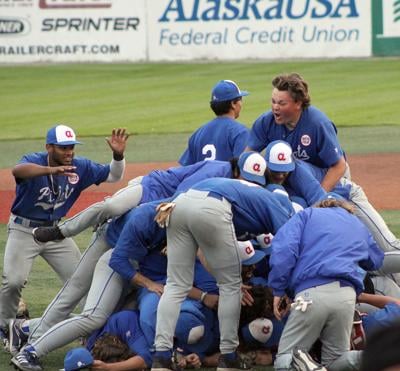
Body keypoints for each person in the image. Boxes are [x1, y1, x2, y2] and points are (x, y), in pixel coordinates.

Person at [151, 154, 293, 371]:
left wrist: (221, 275)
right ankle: (228, 357)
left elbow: (206, 249)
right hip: (212, 206)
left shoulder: (250, 191)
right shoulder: (279, 207)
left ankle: (161, 357)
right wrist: (285, 289)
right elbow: (287, 250)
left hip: (179, 204)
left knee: (176, 285)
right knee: (230, 286)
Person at [246, 72, 400, 255]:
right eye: (273, 101)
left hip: (331, 177)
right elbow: (248, 156)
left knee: (373, 241)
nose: (275, 108)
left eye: (281, 103)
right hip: (299, 185)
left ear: (298, 103)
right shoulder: (266, 122)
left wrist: (318, 199)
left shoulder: (317, 123)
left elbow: (338, 165)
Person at [0, 125, 128, 342]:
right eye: (63, 148)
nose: (69, 152)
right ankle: (6, 326)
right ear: (49, 147)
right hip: (24, 230)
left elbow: (113, 175)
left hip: (55, 232)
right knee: (13, 282)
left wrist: (118, 155)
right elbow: (18, 171)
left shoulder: (80, 167)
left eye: (71, 147)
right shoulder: (35, 160)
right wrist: (51, 171)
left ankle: (86, 329)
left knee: (81, 279)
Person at [268, 197, 384, 371]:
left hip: (311, 293)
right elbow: (375, 260)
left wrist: (278, 289)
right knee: (337, 361)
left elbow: (284, 250)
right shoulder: (356, 223)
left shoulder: (306, 215)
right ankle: (385, 356)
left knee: (285, 360)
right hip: (346, 297)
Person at [179, 79, 249, 165]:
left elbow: (185, 170)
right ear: (233, 104)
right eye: (240, 99)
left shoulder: (198, 133)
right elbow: (243, 168)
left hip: (202, 178)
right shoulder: (240, 132)